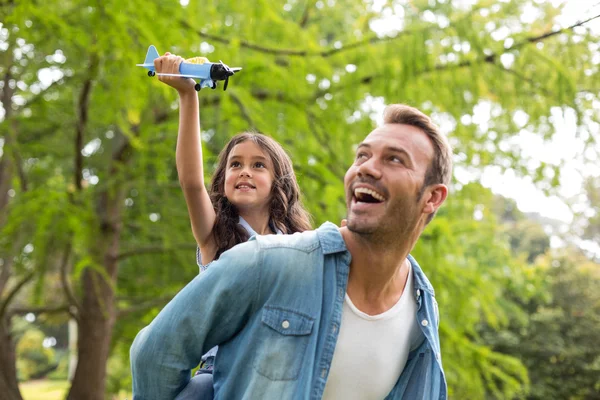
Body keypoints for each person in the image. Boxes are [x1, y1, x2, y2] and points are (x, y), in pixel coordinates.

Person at [130, 103, 452, 399]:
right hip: (215, 367)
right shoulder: (240, 247)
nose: (366, 168)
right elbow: (191, 182)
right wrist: (189, 96)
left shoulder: (422, 308)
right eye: (362, 156)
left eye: (394, 159)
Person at [152, 53, 312, 398]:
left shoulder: (298, 244)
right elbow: (191, 181)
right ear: (223, 178)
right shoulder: (216, 237)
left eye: (258, 165)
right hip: (218, 374)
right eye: (235, 164)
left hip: (276, 375)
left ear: (278, 182)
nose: (244, 171)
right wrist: (187, 95)